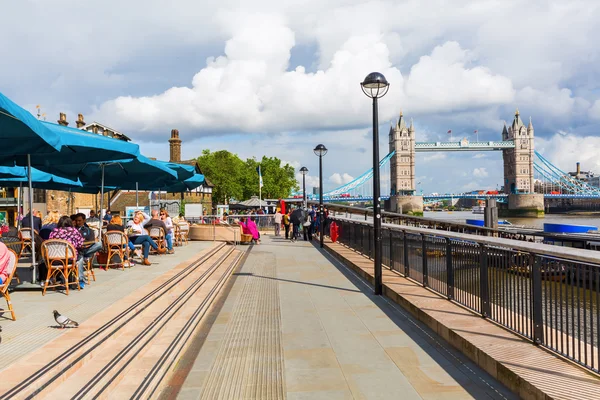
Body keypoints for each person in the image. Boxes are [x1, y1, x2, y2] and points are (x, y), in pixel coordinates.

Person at [49, 216, 86, 289]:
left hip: (55, 259)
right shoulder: (74, 231)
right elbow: (80, 244)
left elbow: (50, 242)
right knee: (80, 258)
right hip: (70, 258)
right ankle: (80, 281)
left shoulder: (53, 231)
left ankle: (54, 279)